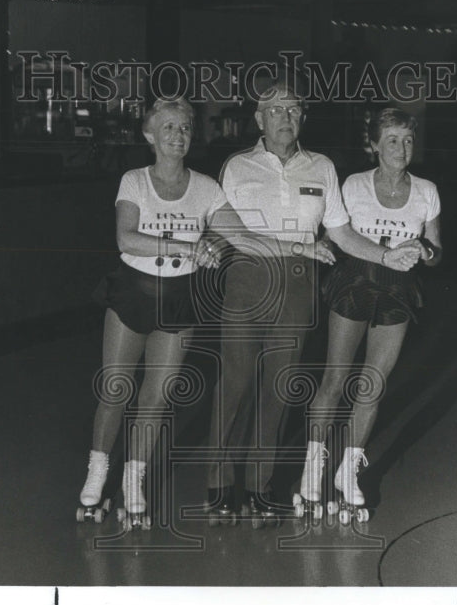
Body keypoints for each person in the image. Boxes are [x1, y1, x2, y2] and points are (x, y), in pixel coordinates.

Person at [205, 83, 420, 527]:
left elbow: (340, 232)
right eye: (277, 110)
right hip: (248, 282)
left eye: (295, 110)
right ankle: (221, 485)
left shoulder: (321, 167)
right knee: (237, 382)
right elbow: (227, 229)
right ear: (259, 119)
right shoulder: (236, 165)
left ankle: (261, 488)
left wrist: (386, 256)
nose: (287, 117)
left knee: (279, 388)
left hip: (299, 288)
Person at [78, 98, 226, 529]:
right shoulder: (134, 181)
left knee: (156, 397)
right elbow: (126, 239)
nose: (177, 136)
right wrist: (187, 247)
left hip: (180, 298)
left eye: (184, 128)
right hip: (134, 293)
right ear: (149, 135)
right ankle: (97, 472)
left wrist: (217, 245)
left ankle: (133, 479)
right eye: (167, 128)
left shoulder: (207, 187)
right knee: (116, 389)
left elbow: (234, 231)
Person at [294, 108, 442, 523]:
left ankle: (346, 472)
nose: (401, 148)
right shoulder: (353, 185)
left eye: (408, 140)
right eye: (392, 140)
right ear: (374, 145)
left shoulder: (427, 190)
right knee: (335, 379)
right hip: (355, 282)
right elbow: (336, 233)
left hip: (398, 290)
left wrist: (425, 251)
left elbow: (436, 252)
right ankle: (312, 471)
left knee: (373, 384)